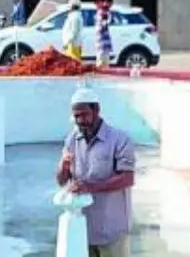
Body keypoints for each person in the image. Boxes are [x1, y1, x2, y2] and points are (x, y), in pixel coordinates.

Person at [56, 87, 136, 257]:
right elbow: (62, 181)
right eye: (76, 116)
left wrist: (91, 187)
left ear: (97, 110)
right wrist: (63, 166)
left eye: (84, 115)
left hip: (112, 231)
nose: (80, 121)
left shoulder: (120, 140)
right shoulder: (72, 139)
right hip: (84, 230)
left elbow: (127, 179)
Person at [95, 1, 114, 69]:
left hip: (103, 37)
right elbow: (102, 24)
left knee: (103, 53)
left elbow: (105, 24)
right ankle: (102, 66)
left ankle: (103, 66)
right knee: (102, 54)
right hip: (102, 37)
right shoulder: (101, 14)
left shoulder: (104, 14)